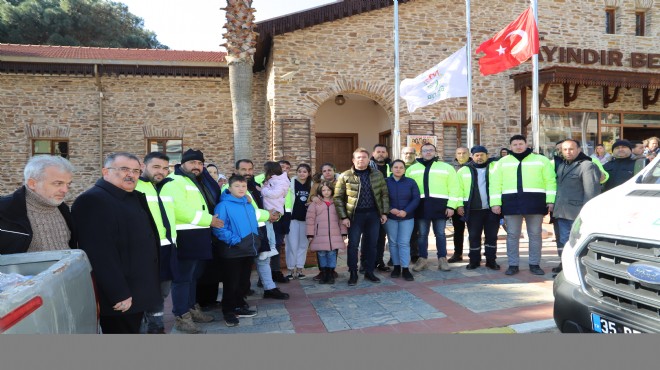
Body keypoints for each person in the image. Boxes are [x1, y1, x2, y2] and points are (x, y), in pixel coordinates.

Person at [71, 152, 160, 334]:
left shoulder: (133, 196)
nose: (131, 175)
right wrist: (119, 293)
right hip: (121, 298)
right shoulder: (93, 200)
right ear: (106, 171)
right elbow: (99, 253)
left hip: (139, 290)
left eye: (136, 171)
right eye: (124, 169)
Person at [159, 149, 222, 333]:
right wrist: (209, 220)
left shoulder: (194, 181)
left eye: (200, 163)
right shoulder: (174, 181)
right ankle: (181, 316)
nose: (197, 166)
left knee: (193, 277)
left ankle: (192, 308)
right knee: (182, 279)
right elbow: (179, 209)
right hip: (185, 237)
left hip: (198, 236)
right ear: (183, 163)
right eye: (193, 163)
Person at [490, 135, 556, 276]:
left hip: (536, 202)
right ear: (510, 146)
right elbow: (495, 184)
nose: (518, 146)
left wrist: (550, 200)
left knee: (535, 235)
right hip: (511, 203)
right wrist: (495, 203)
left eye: (521, 143)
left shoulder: (541, 160)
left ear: (526, 144)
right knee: (512, 235)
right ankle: (513, 264)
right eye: (515, 144)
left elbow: (550, 181)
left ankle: (534, 264)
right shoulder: (502, 162)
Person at [233, 159, 290, 300]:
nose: (247, 172)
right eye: (243, 169)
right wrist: (267, 215)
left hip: (260, 228)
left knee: (263, 259)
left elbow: (264, 204)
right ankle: (239, 294)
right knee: (243, 264)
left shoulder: (253, 184)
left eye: (250, 169)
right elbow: (243, 212)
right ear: (236, 171)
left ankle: (269, 288)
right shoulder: (232, 188)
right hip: (243, 232)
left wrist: (274, 215)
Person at [135, 152, 178, 334]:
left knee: (163, 291)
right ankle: (148, 327)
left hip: (168, 247)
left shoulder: (163, 186)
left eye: (165, 168)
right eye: (156, 167)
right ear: (144, 166)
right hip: (147, 250)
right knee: (147, 292)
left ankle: (157, 325)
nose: (161, 171)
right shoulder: (136, 186)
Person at [334, 147, 389, 285]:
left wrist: (384, 212)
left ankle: (369, 271)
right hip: (355, 216)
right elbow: (338, 198)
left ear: (368, 159)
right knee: (353, 245)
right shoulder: (345, 176)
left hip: (373, 215)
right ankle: (353, 272)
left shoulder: (377, 174)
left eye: (364, 157)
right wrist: (343, 217)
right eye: (358, 157)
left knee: (372, 245)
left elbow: (384, 194)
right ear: (353, 160)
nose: (361, 159)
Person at [0, 155, 75, 254]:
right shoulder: (4, 210)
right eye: (58, 183)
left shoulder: (63, 209)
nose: (65, 190)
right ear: (32, 183)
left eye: (68, 184)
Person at [213, 175, 260, 327]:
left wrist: (257, 239)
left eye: (243, 186)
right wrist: (235, 241)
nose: (241, 189)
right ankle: (228, 311)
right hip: (233, 250)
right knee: (231, 283)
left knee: (243, 281)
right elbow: (219, 227)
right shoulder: (223, 205)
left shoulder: (248, 203)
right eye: (237, 186)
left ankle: (239, 306)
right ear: (229, 188)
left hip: (248, 249)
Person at [406, 143, 460, 272]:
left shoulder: (446, 167)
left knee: (440, 234)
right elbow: (407, 189)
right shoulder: (412, 169)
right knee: (422, 235)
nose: (428, 152)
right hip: (420, 207)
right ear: (420, 153)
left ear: (435, 152)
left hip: (440, 207)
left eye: (431, 150)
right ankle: (422, 259)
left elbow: (454, 188)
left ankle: (442, 259)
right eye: (425, 150)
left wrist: (451, 206)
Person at [552, 139, 601, 274]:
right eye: (565, 149)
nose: (568, 152)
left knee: (577, 242)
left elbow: (591, 192)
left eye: (571, 149)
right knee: (563, 241)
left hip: (577, 213)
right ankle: (565, 265)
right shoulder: (563, 165)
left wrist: (585, 214)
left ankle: (578, 269)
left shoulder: (587, 166)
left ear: (579, 149)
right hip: (562, 211)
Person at [456, 146, 501, 270]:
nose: (479, 157)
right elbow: (458, 190)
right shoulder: (464, 170)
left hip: (492, 209)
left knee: (491, 236)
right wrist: (459, 205)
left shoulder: (495, 168)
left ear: (487, 155)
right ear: (473, 156)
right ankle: (474, 260)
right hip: (473, 210)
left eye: (482, 155)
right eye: (477, 155)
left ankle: (491, 260)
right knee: (474, 236)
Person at [384, 159, 420, 281]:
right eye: (395, 167)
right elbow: (381, 198)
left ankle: (405, 268)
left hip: (407, 217)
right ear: (391, 169)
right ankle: (396, 267)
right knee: (393, 243)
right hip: (391, 218)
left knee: (404, 243)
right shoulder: (386, 182)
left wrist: (406, 211)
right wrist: (390, 209)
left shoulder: (411, 182)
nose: (398, 169)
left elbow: (416, 199)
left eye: (401, 167)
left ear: (404, 170)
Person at [306, 181, 347, 284]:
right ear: (320, 191)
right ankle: (323, 273)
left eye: (328, 190)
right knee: (321, 254)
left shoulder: (337, 203)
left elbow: (341, 219)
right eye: (323, 190)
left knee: (332, 253)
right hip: (319, 235)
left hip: (335, 234)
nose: (326, 192)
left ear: (332, 190)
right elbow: (310, 220)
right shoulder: (315, 204)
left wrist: (343, 233)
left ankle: (330, 273)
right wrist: (310, 234)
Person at [309, 162, 341, 281]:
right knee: (321, 247)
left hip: (334, 218)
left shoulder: (340, 182)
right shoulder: (317, 183)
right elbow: (311, 196)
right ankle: (322, 271)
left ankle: (331, 270)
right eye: (324, 171)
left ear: (334, 170)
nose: (327, 172)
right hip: (321, 221)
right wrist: (314, 197)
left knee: (333, 247)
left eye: (329, 170)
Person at [284, 163, 313, 279]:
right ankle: (291, 270)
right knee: (291, 245)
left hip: (307, 220)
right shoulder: (290, 183)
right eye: (300, 171)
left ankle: (300, 269)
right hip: (293, 219)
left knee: (303, 245)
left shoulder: (312, 185)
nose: (302, 173)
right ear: (296, 172)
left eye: (305, 171)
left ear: (309, 173)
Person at [368, 144, 392, 272]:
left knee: (382, 237)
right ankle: (366, 263)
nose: (381, 154)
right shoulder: (367, 166)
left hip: (387, 207)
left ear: (387, 154)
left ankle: (379, 261)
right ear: (373, 153)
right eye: (378, 151)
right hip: (371, 207)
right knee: (369, 236)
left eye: (383, 152)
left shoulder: (392, 166)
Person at [260, 161, 289, 260]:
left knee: (268, 230)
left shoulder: (281, 181)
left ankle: (269, 248)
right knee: (270, 229)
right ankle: (272, 248)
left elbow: (275, 194)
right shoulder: (274, 179)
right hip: (272, 207)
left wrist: (262, 190)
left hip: (274, 208)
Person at [448, 146, 471, 263]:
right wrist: (456, 205)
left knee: (474, 231)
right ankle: (458, 254)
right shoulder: (450, 168)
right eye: (459, 153)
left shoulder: (474, 166)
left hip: (472, 204)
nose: (461, 156)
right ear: (455, 155)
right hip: (457, 204)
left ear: (469, 154)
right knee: (458, 231)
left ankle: (474, 253)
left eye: (464, 153)